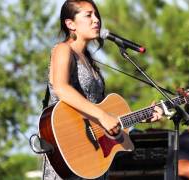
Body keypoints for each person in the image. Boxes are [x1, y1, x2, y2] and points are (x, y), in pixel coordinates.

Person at [43, 0, 163, 179]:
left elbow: (106, 114)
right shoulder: (63, 49)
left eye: (96, 15)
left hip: (93, 155)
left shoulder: (90, 61)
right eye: (88, 15)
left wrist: (141, 117)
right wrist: (102, 116)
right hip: (68, 146)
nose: (96, 20)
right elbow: (61, 88)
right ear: (70, 24)